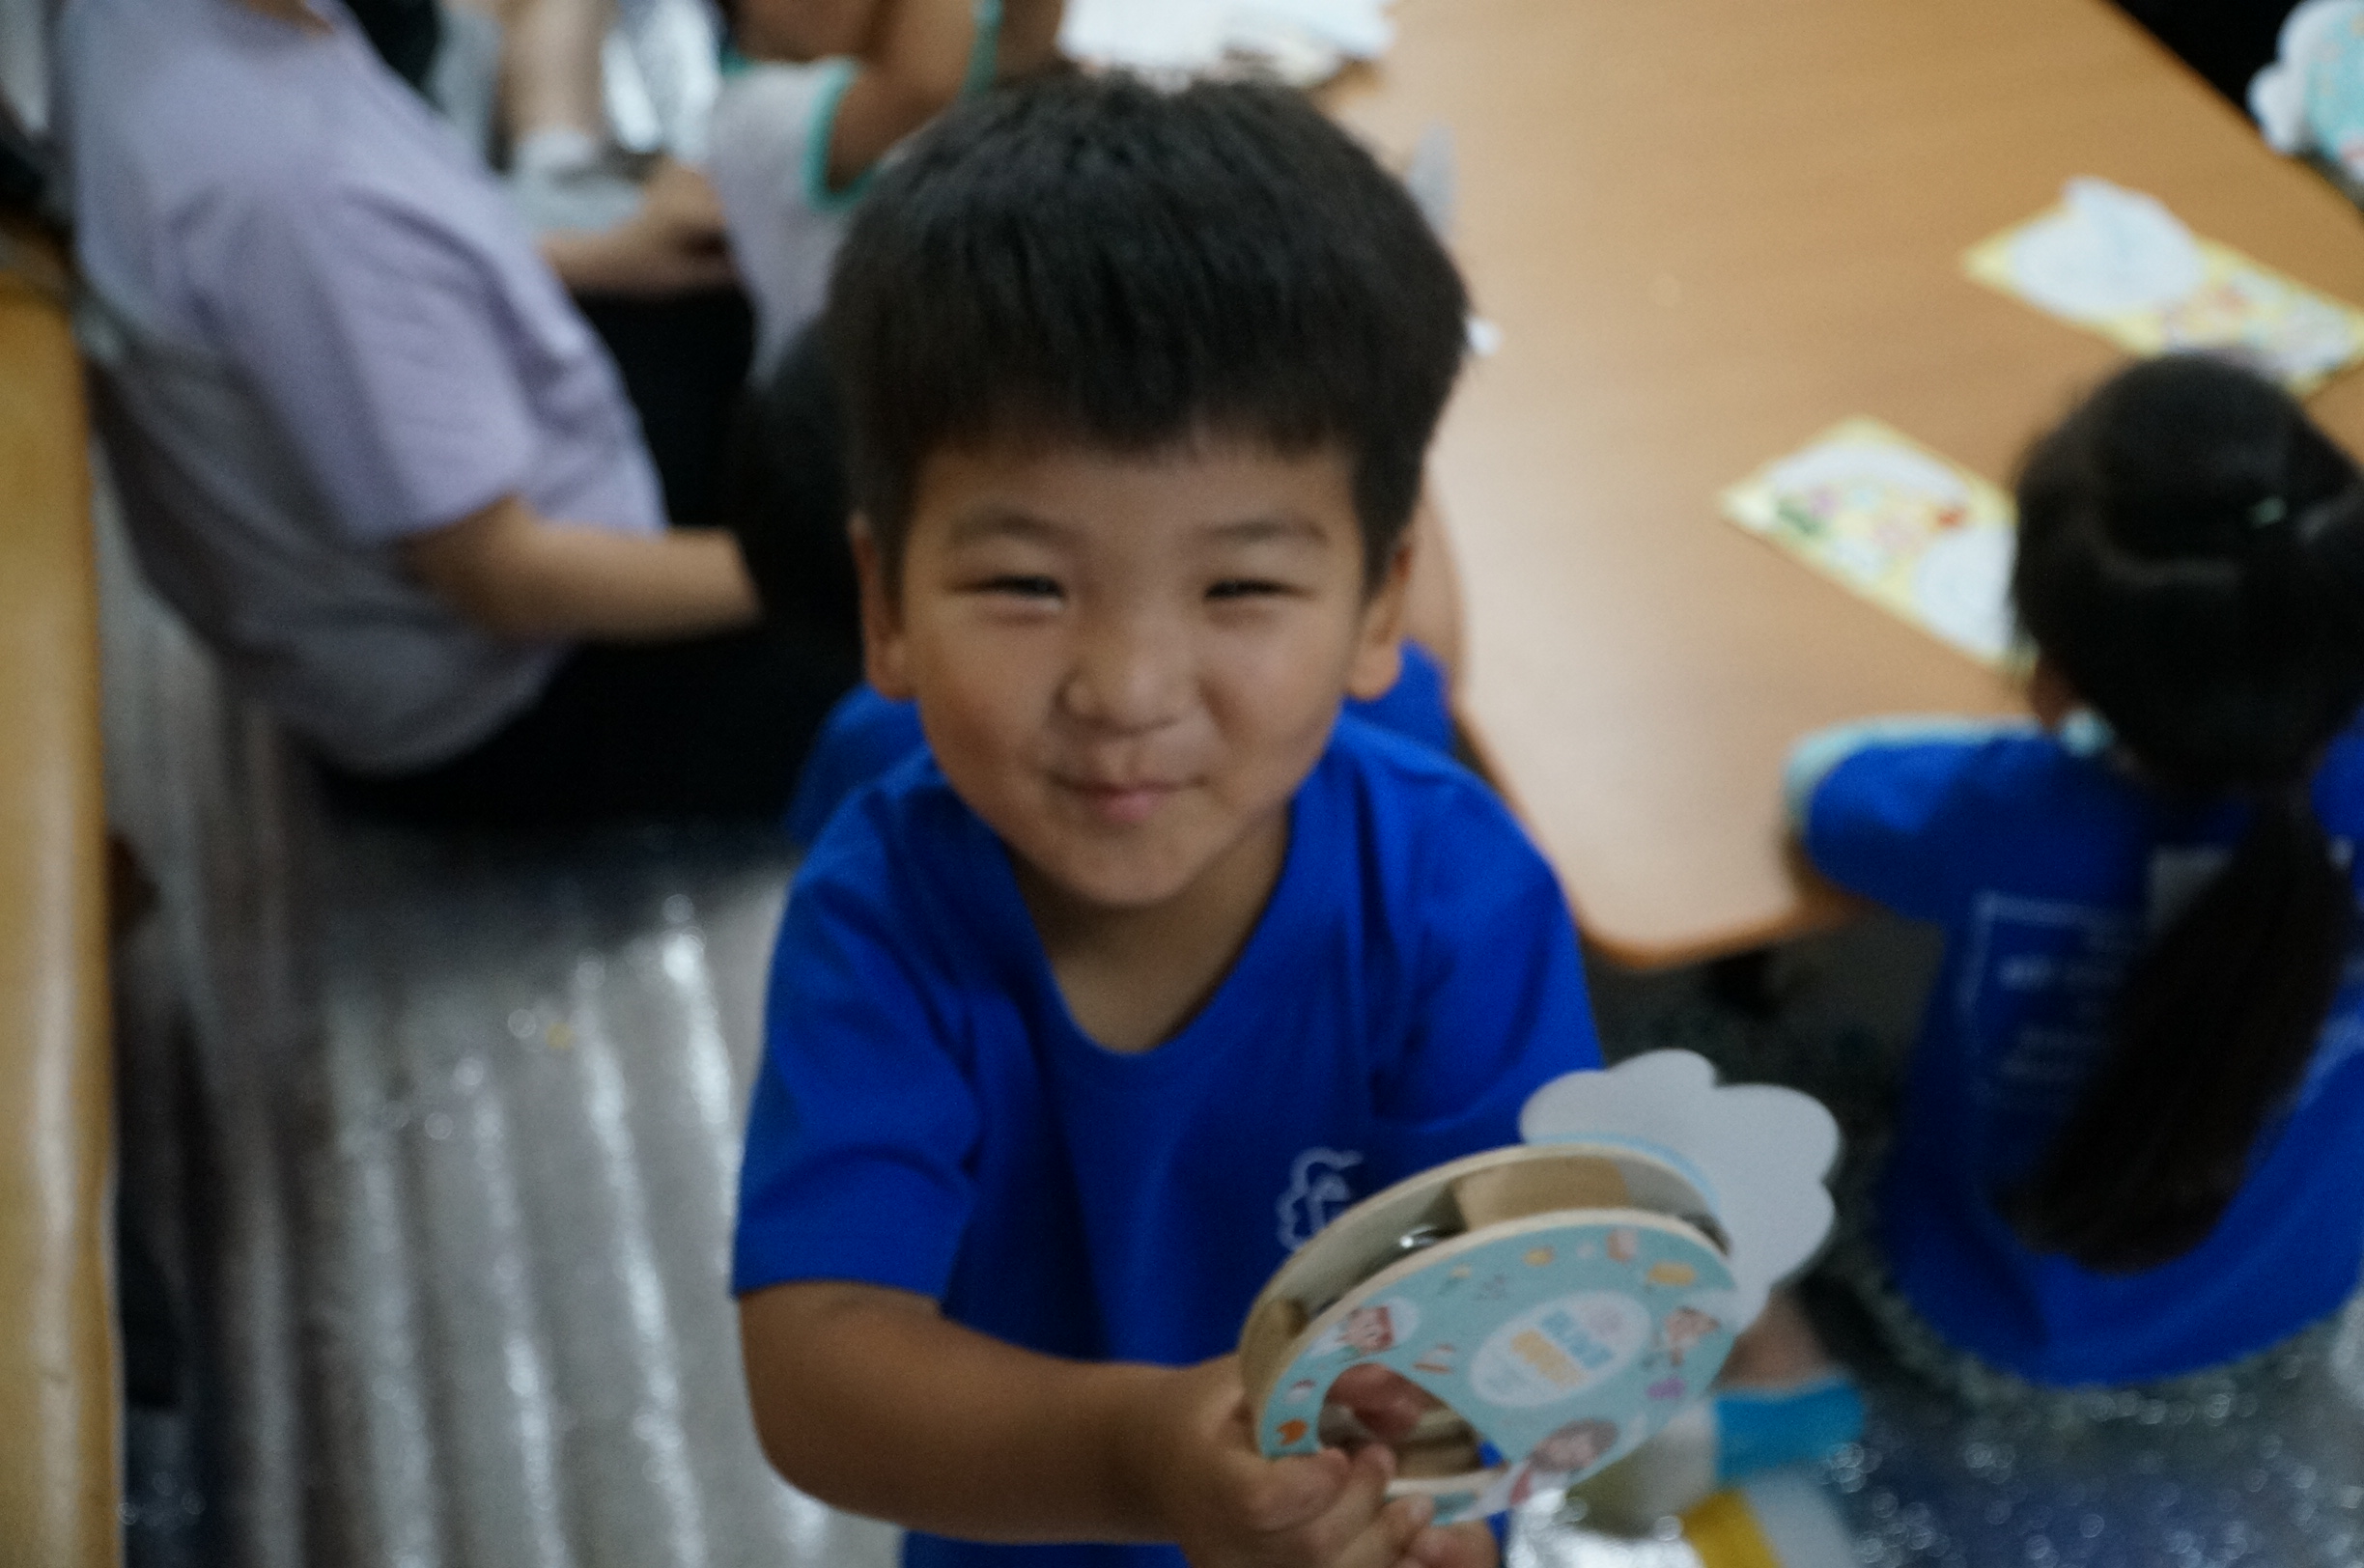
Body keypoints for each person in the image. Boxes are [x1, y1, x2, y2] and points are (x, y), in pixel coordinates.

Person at [732, 75, 1601, 1568]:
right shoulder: (884, 911)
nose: (1127, 692)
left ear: (1376, 604)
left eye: (1240, 588)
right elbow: (817, 1371)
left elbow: (1515, 1303)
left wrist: (1446, 1502)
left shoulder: (1459, 903)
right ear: (885, 604)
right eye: (1027, 584)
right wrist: (1140, 1464)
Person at [60, 0, 858, 826]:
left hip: (518, 460)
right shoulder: (296, 195)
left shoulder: (146, 28)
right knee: (901, 690)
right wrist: (827, 576)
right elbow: (503, 579)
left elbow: (350, 277)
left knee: (788, 334)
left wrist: (592, 258)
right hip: (499, 695)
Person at [1787, 353, 2364, 1387]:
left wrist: (2030, 754)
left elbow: (1818, 786)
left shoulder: (1999, 810)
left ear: (2052, 686)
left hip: (1996, 1312)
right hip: (2296, 1287)